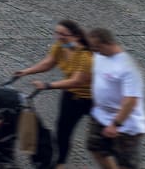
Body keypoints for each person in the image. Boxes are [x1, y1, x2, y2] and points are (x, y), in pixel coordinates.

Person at [12, 20, 95, 165]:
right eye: (57, 33)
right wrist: (26, 71)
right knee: (62, 132)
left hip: (94, 99)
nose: (59, 37)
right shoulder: (61, 47)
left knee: (106, 133)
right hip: (71, 97)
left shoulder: (86, 57)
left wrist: (47, 85)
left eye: (63, 34)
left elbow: (76, 81)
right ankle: (60, 164)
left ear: (75, 36)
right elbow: (48, 63)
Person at [85, 27, 145, 169]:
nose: (94, 50)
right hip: (101, 117)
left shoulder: (128, 67)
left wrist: (116, 124)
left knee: (126, 163)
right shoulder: (100, 56)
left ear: (107, 43)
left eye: (96, 47)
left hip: (126, 125)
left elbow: (131, 100)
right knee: (96, 148)